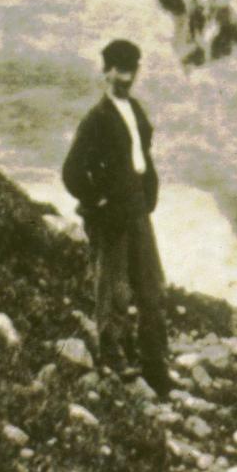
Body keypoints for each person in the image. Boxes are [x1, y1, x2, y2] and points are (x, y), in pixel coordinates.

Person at [61, 39, 174, 396]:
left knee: (151, 287)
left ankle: (155, 365)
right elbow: (71, 173)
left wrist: (149, 190)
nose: (125, 78)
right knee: (112, 291)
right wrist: (99, 202)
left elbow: (141, 154)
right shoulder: (97, 118)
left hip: (137, 209)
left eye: (131, 70)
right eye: (119, 70)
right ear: (106, 71)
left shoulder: (134, 109)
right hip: (112, 216)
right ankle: (114, 359)